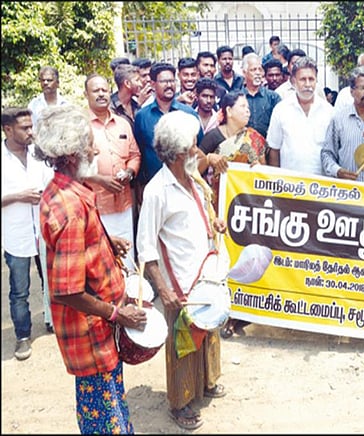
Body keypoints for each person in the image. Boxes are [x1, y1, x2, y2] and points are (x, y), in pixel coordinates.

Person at [34, 104, 147, 434]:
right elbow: (67, 291)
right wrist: (118, 314)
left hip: (97, 332)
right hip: (91, 336)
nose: (95, 150)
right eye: (89, 145)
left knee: (110, 411)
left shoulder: (68, 190)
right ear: (72, 155)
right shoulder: (69, 208)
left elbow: (77, 248)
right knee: (105, 421)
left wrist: (107, 241)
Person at [136, 110, 228, 431]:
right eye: (192, 146)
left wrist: (216, 223)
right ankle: (180, 402)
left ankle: (205, 383)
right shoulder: (157, 191)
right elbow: (146, 247)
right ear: (177, 153)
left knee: (209, 330)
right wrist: (163, 290)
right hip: (180, 281)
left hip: (205, 272)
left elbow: (204, 213)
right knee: (183, 342)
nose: (198, 151)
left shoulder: (193, 178)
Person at [2, 107, 55, 359]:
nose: (31, 132)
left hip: (43, 230)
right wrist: (18, 197)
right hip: (17, 234)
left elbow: (52, 183)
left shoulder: (37, 154)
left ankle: (52, 321)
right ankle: (23, 336)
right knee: (19, 290)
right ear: (8, 130)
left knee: (51, 280)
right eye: (25, 128)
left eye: (31, 126)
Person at [83, 74, 141, 272]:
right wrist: (100, 180)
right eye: (95, 90)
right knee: (103, 263)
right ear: (86, 94)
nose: (101, 94)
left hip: (124, 204)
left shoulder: (122, 124)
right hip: (96, 207)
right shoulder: (80, 126)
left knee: (127, 257)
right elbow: (72, 166)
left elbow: (135, 155)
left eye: (104, 90)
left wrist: (130, 172)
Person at [133, 62, 203, 189]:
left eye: (172, 81)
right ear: (153, 84)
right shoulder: (142, 116)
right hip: (155, 186)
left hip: (186, 185)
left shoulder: (189, 114)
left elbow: (200, 148)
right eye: (164, 81)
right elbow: (140, 152)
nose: (169, 85)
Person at [267, 56, 334, 176]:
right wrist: (275, 181)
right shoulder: (281, 110)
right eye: (303, 79)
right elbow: (274, 150)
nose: (307, 84)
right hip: (289, 183)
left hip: (321, 183)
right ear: (293, 81)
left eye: (311, 79)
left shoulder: (329, 111)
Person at [199, 90, 266, 205]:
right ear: (229, 111)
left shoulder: (254, 137)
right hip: (218, 199)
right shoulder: (213, 136)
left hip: (248, 199)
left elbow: (265, 171)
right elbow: (194, 169)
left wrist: (259, 169)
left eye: (248, 107)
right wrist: (208, 159)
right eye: (242, 106)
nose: (247, 111)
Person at [240, 53, 281, 139]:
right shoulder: (236, 98)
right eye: (253, 70)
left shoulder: (273, 97)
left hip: (268, 143)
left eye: (260, 69)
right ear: (244, 73)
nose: (258, 73)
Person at [110, 64, 143, 129]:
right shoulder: (110, 107)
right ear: (127, 83)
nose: (141, 84)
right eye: (137, 80)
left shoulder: (135, 105)